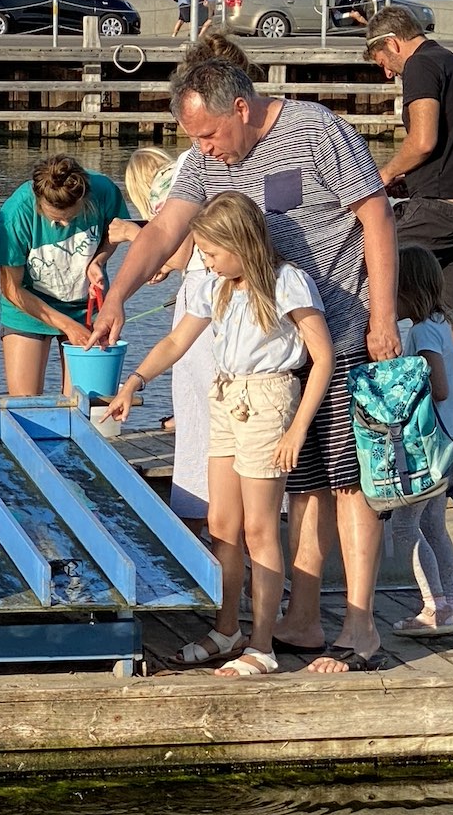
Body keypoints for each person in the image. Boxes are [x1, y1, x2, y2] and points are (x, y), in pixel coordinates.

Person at [88, 51, 401, 673]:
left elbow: (377, 217)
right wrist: (118, 296)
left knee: (349, 482)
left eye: (207, 134)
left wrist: (384, 317)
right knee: (303, 486)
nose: (202, 149)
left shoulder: (316, 131)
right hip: (271, 359)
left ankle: (360, 626)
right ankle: (304, 618)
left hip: (337, 330)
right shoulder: (204, 164)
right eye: (192, 138)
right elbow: (160, 231)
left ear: (241, 107)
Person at [102, 192, 334, 677]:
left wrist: (296, 428)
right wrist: (134, 381)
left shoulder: (287, 282)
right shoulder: (217, 285)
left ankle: (262, 645)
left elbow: (322, 358)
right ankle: (227, 626)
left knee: (259, 529)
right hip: (225, 398)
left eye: (211, 253)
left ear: (240, 243)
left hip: (269, 401)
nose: (204, 261)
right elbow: (175, 341)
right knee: (223, 525)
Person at [364, 4, 453, 394]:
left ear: (392, 42)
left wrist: (384, 176)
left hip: (439, 213)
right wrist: (414, 182)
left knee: (362, 272)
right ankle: (452, 426)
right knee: (447, 320)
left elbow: (423, 140)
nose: (387, 73)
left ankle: (367, 408)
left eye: (383, 61)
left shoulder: (421, 66)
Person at [110, 146, 213, 533]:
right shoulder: (191, 167)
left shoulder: (168, 193)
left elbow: (178, 243)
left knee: (198, 430)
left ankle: (192, 532)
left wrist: (137, 240)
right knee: (197, 424)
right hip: (198, 307)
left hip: (200, 312)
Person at [0, 153, 128, 396]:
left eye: (71, 217)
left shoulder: (103, 190)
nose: (64, 225)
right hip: (29, 310)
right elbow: (12, 289)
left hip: (87, 309)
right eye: (55, 219)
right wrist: (67, 326)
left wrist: (99, 259)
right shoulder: (14, 215)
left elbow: (114, 233)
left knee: (84, 402)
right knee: (26, 405)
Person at [389, 244, 453, 636]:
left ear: (407, 290)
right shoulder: (441, 323)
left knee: (404, 527)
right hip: (449, 440)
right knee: (434, 526)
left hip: (427, 444)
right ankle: (451, 604)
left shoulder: (421, 331)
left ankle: (433, 607)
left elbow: (436, 387)